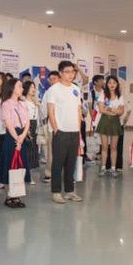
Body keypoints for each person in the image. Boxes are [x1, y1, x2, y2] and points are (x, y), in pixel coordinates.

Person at [47, 61, 84, 204]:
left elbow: (78, 110)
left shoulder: (76, 89)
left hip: (74, 132)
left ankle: (69, 191)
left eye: (72, 72)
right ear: (60, 73)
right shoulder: (54, 89)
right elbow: (51, 111)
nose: (71, 74)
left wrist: (79, 130)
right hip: (61, 132)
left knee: (71, 163)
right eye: (67, 72)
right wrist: (56, 129)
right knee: (58, 163)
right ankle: (56, 192)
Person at [0, 78, 30, 208]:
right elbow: (8, 123)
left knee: (20, 166)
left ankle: (16, 195)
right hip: (11, 138)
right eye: (19, 86)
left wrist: (22, 136)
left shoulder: (23, 104)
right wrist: (17, 138)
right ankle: (9, 196)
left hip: (22, 136)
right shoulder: (6, 104)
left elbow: (27, 122)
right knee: (10, 166)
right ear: (12, 88)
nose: (22, 89)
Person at [95, 76, 125, 177]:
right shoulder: (103, 94)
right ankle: (103, 168)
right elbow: (101, 110)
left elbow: (121, 111)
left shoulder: (119, 96)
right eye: (110, 83)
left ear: (117, 84)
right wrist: (114, 110)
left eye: (114, 83)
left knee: (114, 147)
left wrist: (110, 109)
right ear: (106, 84)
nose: (112, 85)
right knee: (104, 147)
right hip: (104, 121)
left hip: (115, 122)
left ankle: (113, 168)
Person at [40, 70, 60, 182]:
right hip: (51, 126)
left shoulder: (65, 91)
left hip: (65, 126)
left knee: (65, 151)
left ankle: (67, 174)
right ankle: (49, 173)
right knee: (51, 151)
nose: (52, 81)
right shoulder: (47, 93)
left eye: (55, 79)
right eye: (50, 79)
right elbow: (44, 110)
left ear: (59, 79)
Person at [23, 80, 40, 183]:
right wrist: (27, 130)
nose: (33, 89)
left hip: (34, 127)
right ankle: (26, 176)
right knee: (27, 151)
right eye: (31, 87)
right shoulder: (23, 102)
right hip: (27, 127)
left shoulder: (35, 102)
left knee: (33, 151)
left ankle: (29, 175)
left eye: (34, 87)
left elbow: (38, 117)